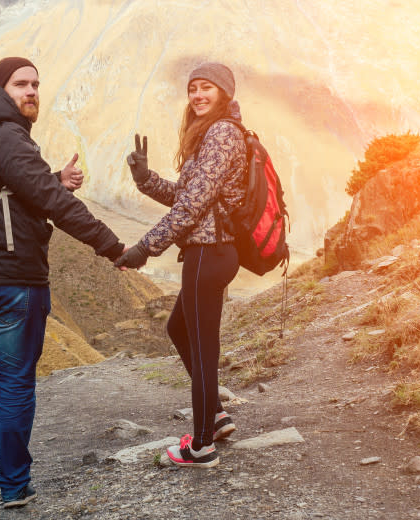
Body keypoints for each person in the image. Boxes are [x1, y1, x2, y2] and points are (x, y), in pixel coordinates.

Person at [0, 57, 125, 514]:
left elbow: (11, 191)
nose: (32, 91)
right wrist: (112, 246)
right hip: (12, 284)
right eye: (22, 84)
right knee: (16, 386)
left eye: (37, 84)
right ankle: (14, 487)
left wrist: (54, 179)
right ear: (1, 88)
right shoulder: (10, 136)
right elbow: (53, 203)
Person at [115, 62, 247, 467]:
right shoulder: (210, 133)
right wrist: (146, 179)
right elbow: (188, 195)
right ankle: (217, 416)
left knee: (204, 348)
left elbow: (192, 205)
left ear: (223, 93)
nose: (198, 95)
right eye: (193, 88)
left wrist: (145, 247)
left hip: (209, 253)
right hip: (208, 251)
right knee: (179, 329)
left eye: (206, 87)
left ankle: (201, 445)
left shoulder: (223, 133)